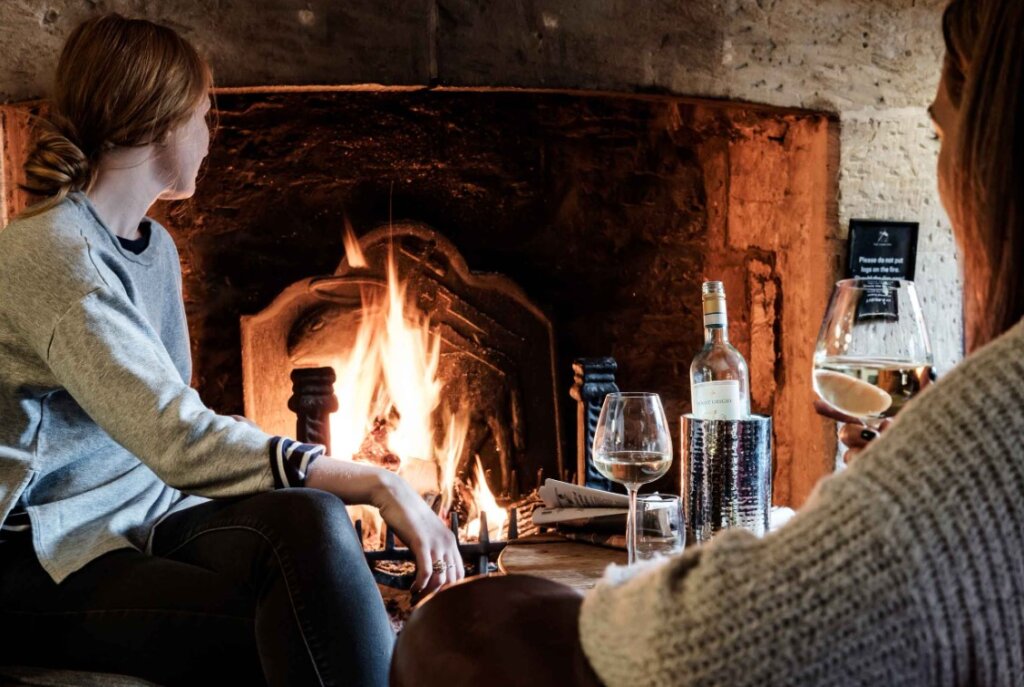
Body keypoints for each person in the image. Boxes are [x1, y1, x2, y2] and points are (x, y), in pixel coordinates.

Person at [392, 0, 1024, 685]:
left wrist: (606, 596)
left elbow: (709, 640)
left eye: (939, 138)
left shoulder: (994, 417)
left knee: (444, 633)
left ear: (997, 152)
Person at [0, 14, 462, 687]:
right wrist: (377, 479)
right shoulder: (53, 255)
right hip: (44, 553)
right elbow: (175, 436)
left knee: (310, 518)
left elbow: (167, 416)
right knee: (275, 628)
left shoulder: (153, 249)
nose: (211, 135)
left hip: (151, 512)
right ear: (158, 123)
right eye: (203, 114)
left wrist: (308, 473)